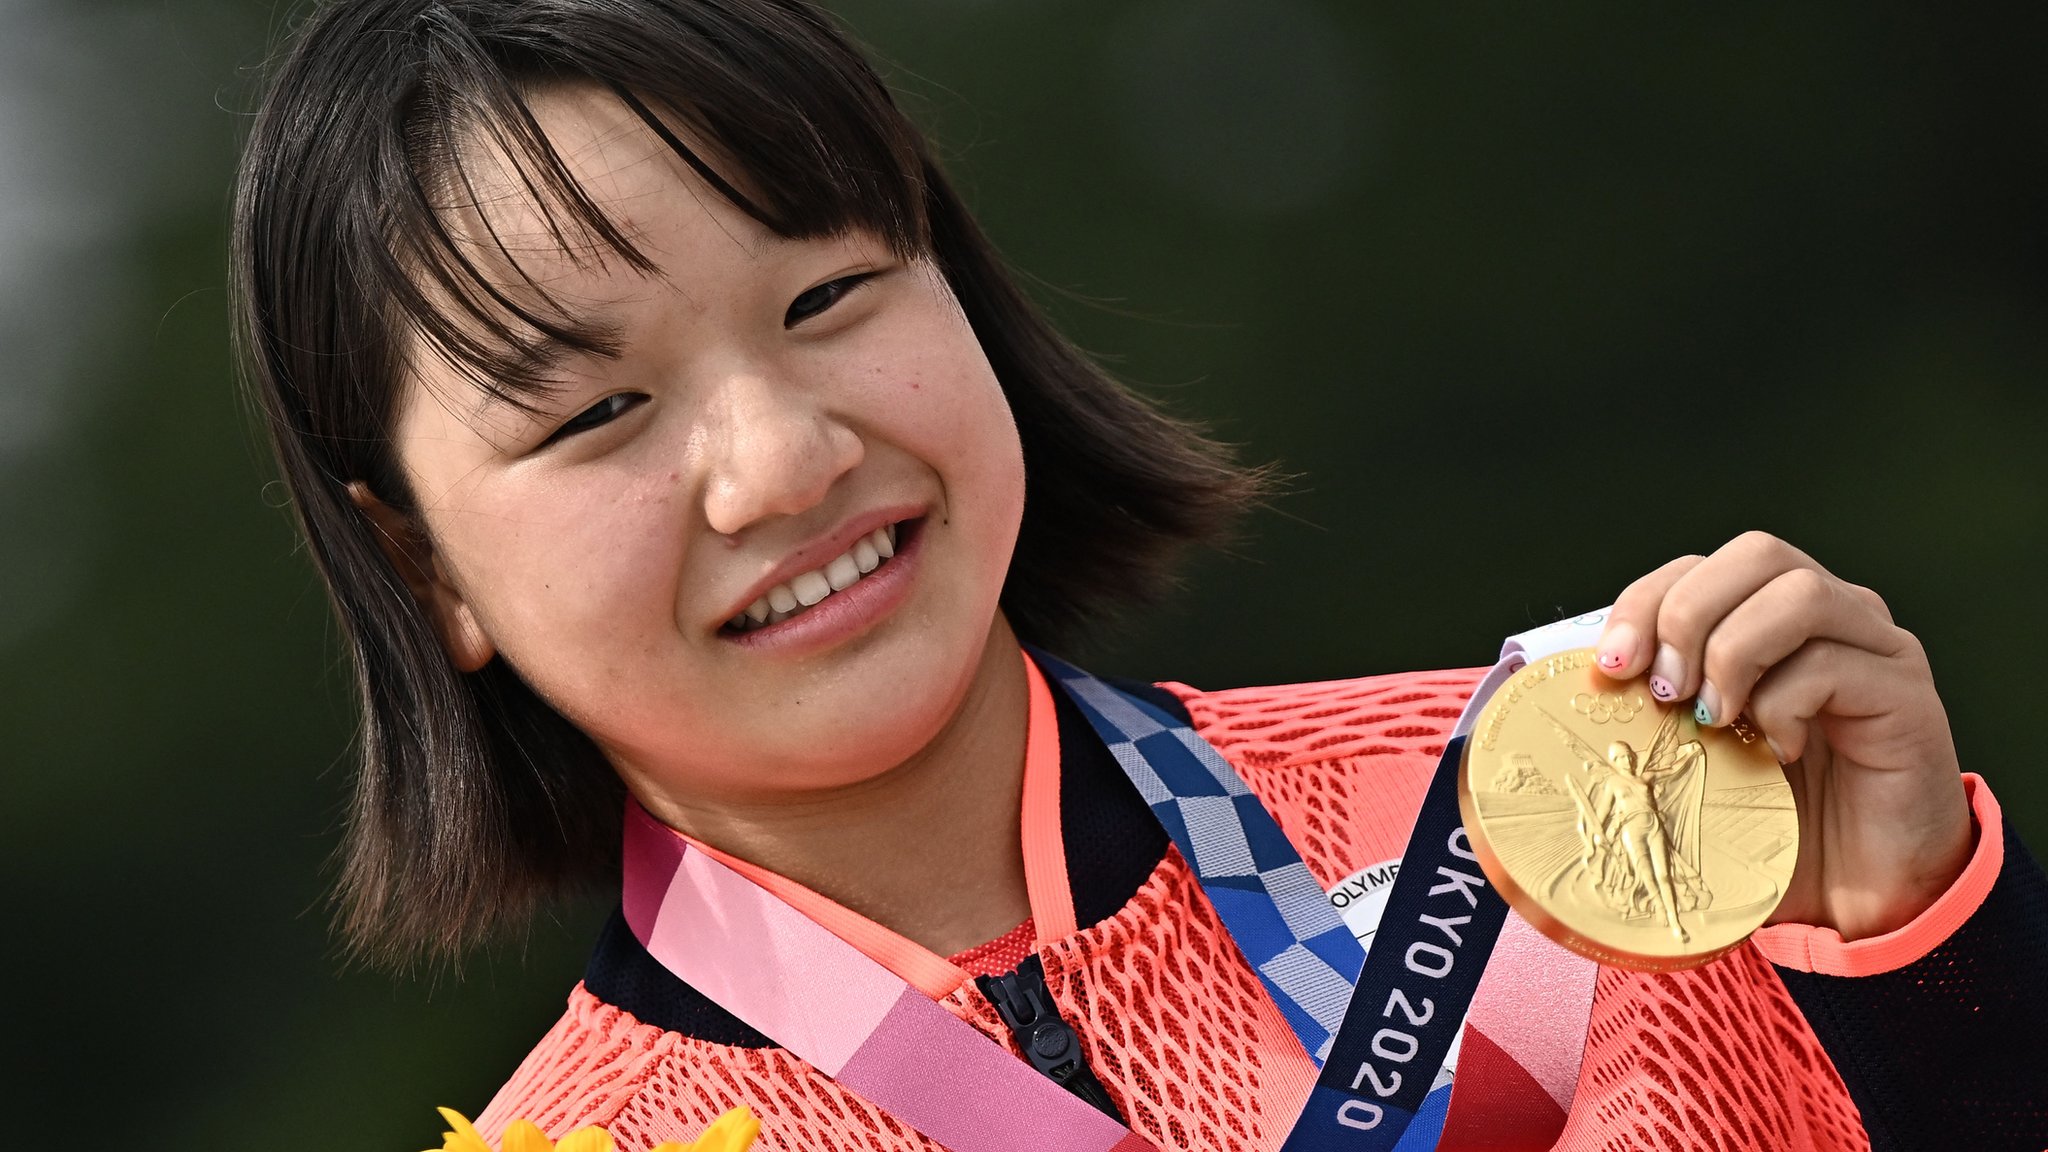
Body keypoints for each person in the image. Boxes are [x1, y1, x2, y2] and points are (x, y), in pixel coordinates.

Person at [229, 2, 2048, 1149]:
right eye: (602, 410)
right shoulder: (596, 1146)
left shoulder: (1585, 808)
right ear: (424, 564)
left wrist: (1928, 967)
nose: (779, 462)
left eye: (827, 298)